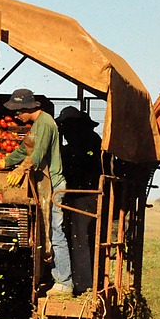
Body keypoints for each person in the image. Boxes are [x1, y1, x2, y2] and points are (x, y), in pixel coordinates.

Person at [2, 88, 73, 297]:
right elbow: (25, 150)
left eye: (17, 111)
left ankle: (64, 282)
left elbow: (38, 152)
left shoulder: (46, 123)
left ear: (27, 108)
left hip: (55, 186)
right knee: (49, 232)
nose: (16, 115)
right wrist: (4, 162)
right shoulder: (36, 125)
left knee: (56, 233)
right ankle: (58, 277)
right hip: (47, 186)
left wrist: (21, 168)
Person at [57, 105, 103, 290]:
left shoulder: (86, 143)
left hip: (85, 195)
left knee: (80, 238)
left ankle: (84, 284)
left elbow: (80, 163)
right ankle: (87, 281)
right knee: (81, 238)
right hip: (83, 195)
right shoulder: (89, 140)